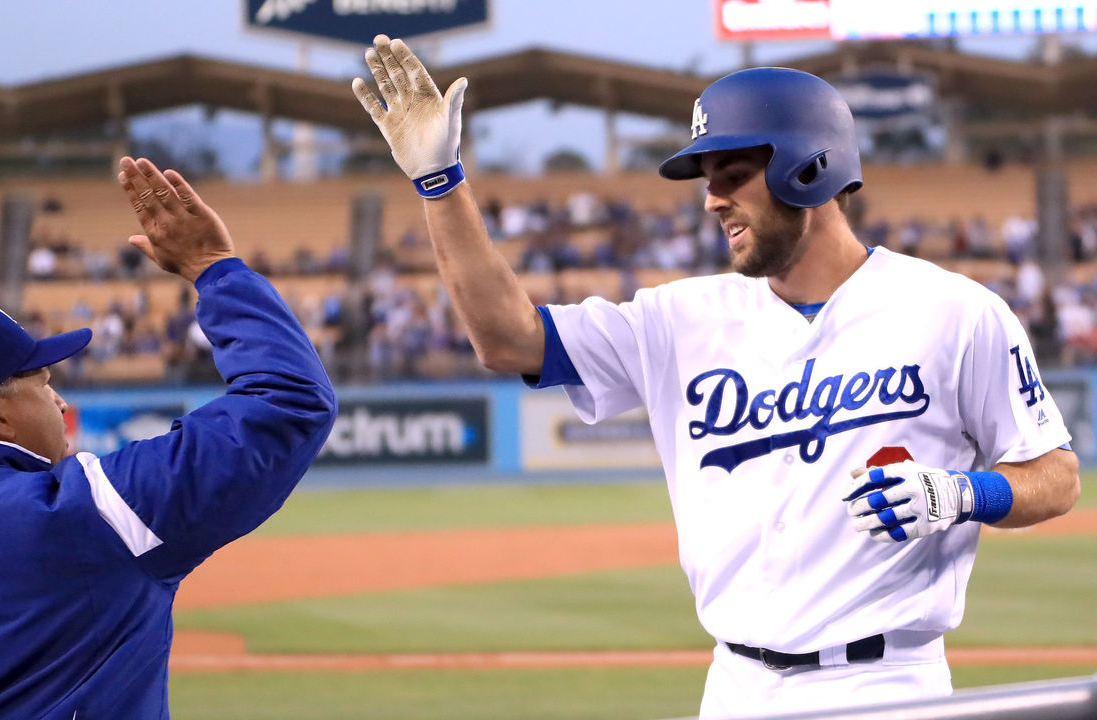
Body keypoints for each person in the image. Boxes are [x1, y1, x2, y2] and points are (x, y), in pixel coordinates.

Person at [352, 36, 1080, 718]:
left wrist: (964, 493)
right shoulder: (679, 321)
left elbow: (1057, 475)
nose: (710, 199)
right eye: (706, 178)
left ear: (810, 166)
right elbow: (506, 338)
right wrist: (439, 183)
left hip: (890, 685)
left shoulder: (954, 312)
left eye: (731, 173)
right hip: (736, 688)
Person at [0, 157, 337, 719]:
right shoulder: (85, 515)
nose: (60, 401)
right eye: (43, 383)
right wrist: (215, 269)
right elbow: (289, 403)